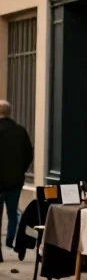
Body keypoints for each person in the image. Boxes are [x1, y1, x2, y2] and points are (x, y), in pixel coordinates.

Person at [0, 99, 34, 250]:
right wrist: (22, 169)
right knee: (12, 212)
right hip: (15, 180)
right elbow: (29, 154)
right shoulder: (20, 131)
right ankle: (10, 239)